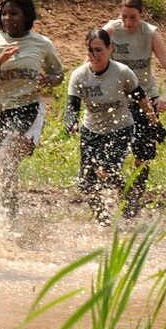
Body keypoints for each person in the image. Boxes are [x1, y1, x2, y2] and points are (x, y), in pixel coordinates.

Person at [0, 0, 64, 222]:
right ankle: (9, 219)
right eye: (3, 14)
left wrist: (52, 80)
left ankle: (10, 223)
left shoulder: (42, 43)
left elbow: (58, 73)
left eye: (13, 13)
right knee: (0, 170)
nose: (7, 19)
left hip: (28, 108)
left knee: (5, 162)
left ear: (27, 16)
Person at [64, 28, 148, 227]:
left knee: (107, 168)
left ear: (110, 48)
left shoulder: (122, 72)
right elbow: (72, 105)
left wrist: (154, 123)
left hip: (120, 128)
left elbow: (141, 98)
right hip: (91, 130)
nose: (94, 55)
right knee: (88, 182)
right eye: (90, 50)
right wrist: (71, 121)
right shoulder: (79, 75)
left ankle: (127, 195)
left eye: (99, 50)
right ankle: (103, 220)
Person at [103, 0, 166, 217]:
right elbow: (90, 61)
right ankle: (118, 191)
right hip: (117, 101)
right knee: (110, 152)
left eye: (133, 18)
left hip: (145, 100)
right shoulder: (111, 30)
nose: (128, 22)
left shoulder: (150, 33)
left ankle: (133, 200)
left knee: (142, 155)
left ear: (141, 15)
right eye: (124, 17)